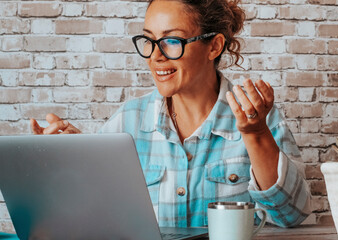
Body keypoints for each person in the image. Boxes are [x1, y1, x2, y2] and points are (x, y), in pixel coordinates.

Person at [30, 0, 312, 228]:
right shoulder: (128, 120)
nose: (155, 56)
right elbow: (92, 216)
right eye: (150, 40)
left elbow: (291, 214)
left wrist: (255, 134)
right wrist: (68, 161)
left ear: (214, 46)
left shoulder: (259, 118)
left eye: (171, 41)